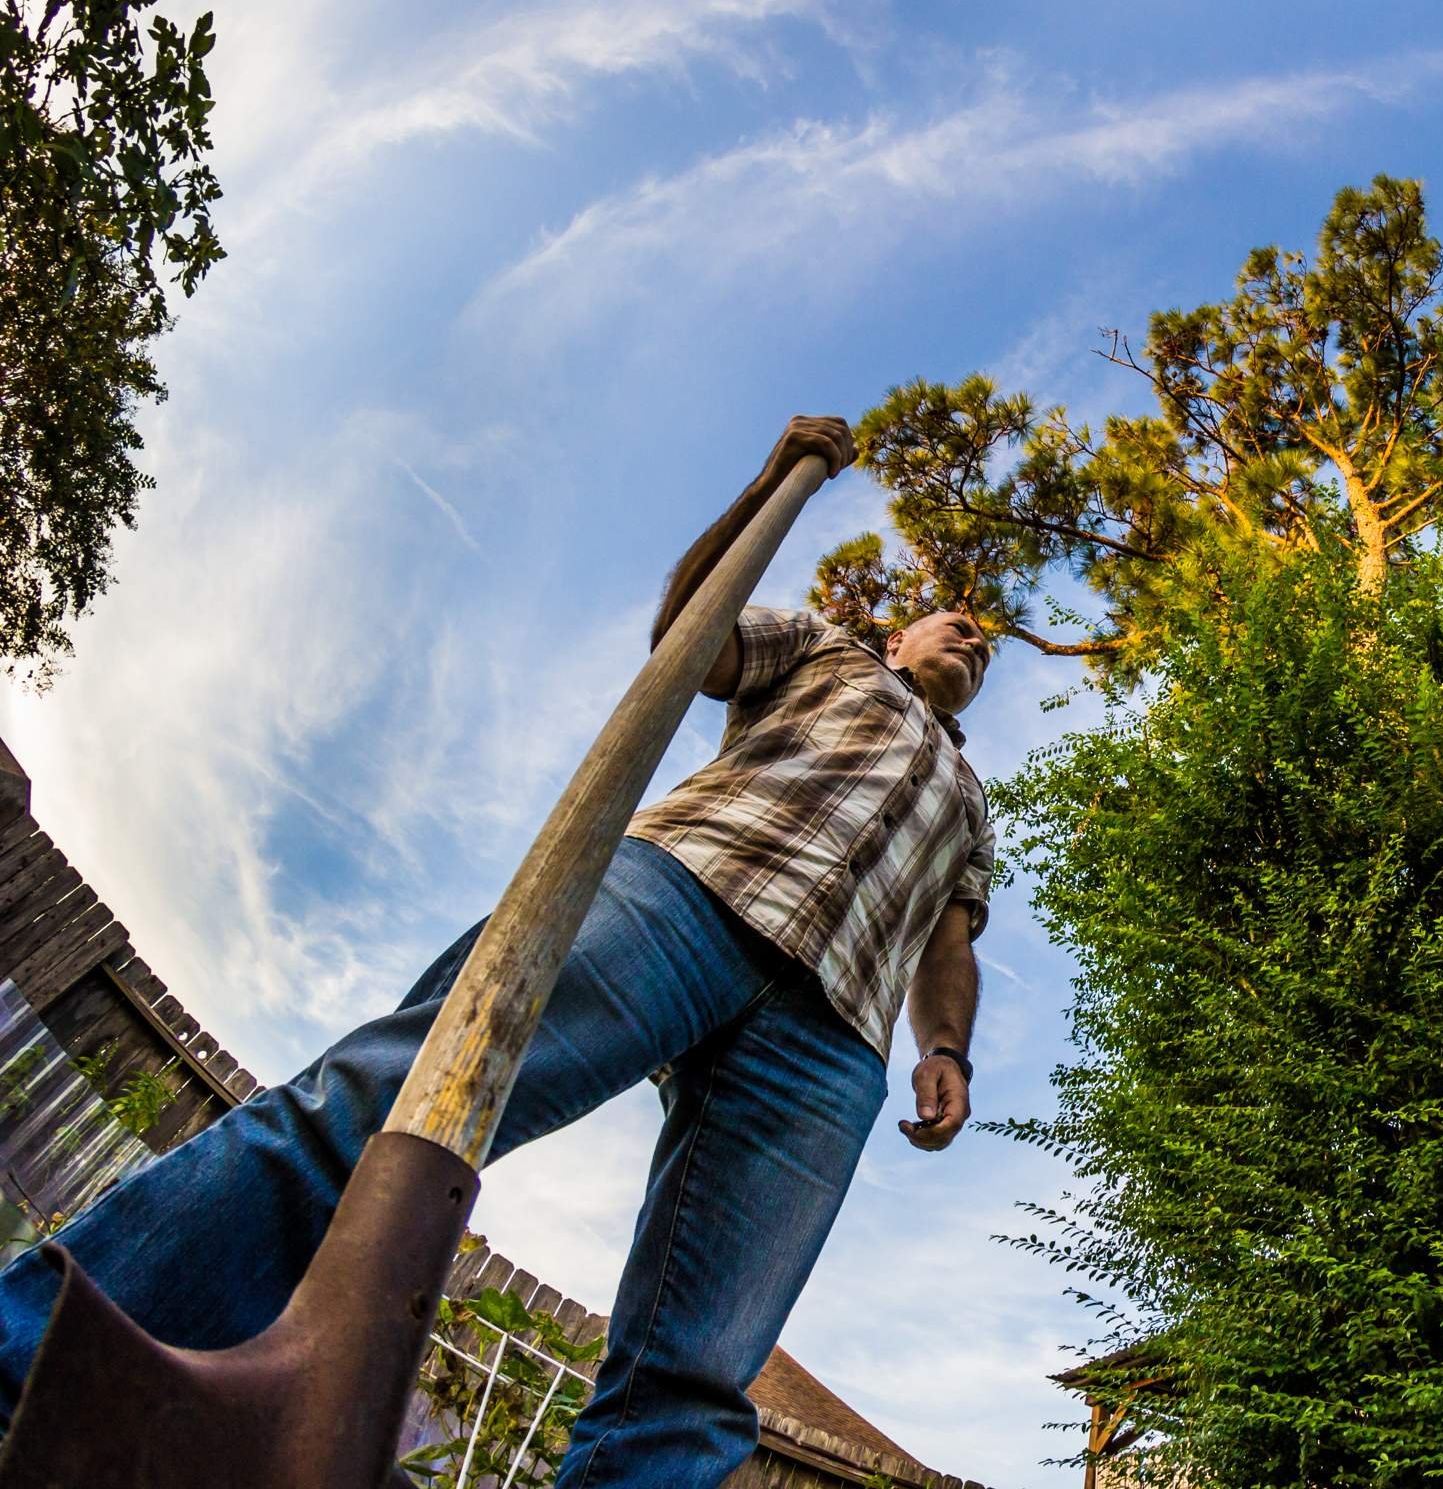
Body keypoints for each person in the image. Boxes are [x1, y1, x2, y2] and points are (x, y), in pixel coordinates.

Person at [0, 416, 996, 1488]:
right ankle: (27, 1362)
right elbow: (692, 637)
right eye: (957, 625)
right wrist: (769, 483)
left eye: (988, 647)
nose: (975, 640)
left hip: (834, 1036)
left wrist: (946, 1046)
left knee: (702, 1373)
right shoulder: (828, 652)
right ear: (898, 639)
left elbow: (949, 936)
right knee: (389, 1105)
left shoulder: (973, 805)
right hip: (684, 894)